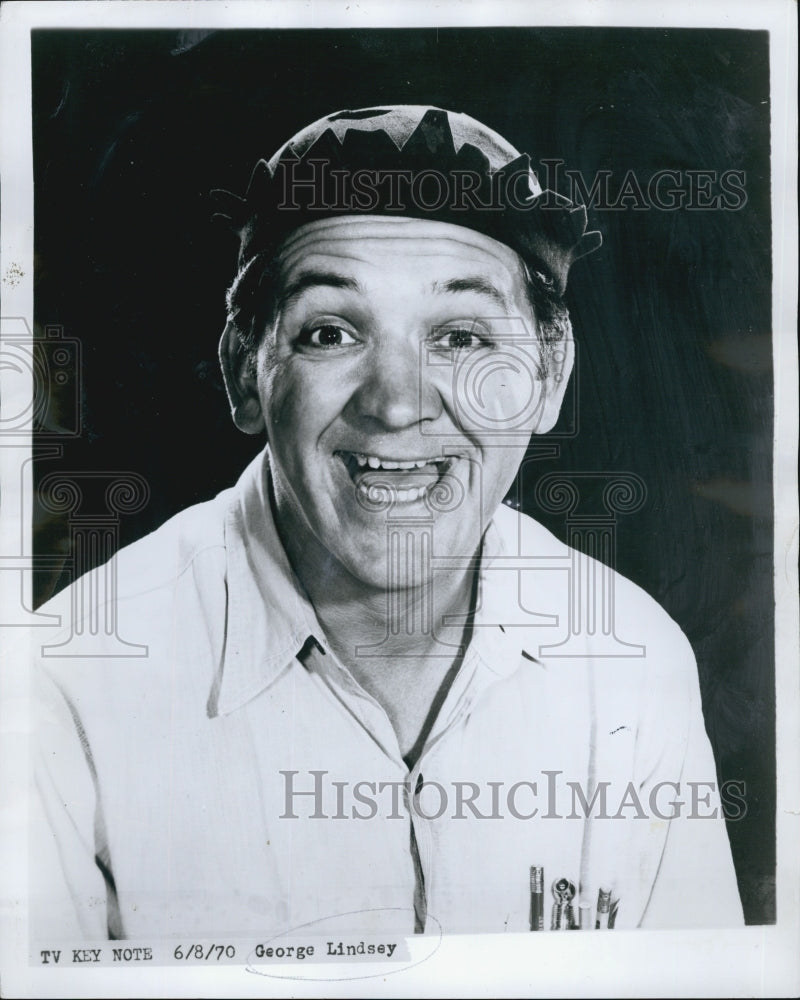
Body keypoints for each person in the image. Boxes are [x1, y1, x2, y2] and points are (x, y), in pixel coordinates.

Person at [32, 106, 743, 940]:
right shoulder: (66, 686)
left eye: (463, 337)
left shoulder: (632, 660)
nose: (398, 404)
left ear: (550, 377)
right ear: (244, 374)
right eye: (331, 332)